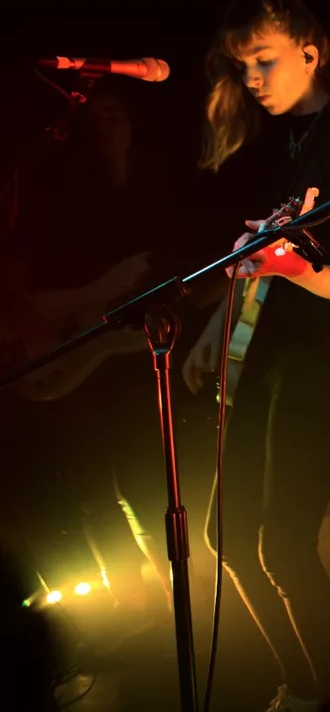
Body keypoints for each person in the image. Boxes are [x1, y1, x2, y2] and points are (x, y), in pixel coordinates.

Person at [180, 0, 330, 711]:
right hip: (267, 359)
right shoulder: (287, 147)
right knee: (225, 536)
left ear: (310, 52)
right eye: (243, 66)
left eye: (264, 61)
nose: (252, 80)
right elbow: (253, 256)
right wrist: (215, 330)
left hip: (324, 365)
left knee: (283, 545)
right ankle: (304, 684)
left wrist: (291, 263)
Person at [0, 78, 197, 639]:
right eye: (100, 115)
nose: (111, 122)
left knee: (144, 484)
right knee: (93, 490)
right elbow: (19, 283)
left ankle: (168, 605)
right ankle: (134, 608)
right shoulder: (58, 197)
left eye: (119, 113)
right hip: (70, 357)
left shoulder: (156, 193)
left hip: (130, 361)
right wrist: (82, 300)